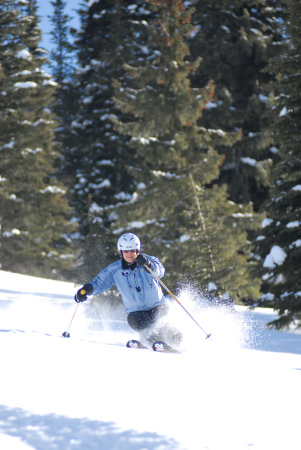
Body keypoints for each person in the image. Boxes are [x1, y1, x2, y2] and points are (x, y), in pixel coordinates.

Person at [74, 232, 182, 346]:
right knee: (140, 320)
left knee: (163, 322)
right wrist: (87, 289)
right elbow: (100, 282)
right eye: (126, 251)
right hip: (136, 312)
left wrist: (149, 265)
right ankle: (152, 341)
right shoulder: (115, 269)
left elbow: (160, 271)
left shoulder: (147, 260)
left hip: (158, 305)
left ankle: (179, 342)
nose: (130, 254)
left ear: (137, 250)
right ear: (121, 252)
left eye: (133, 250)